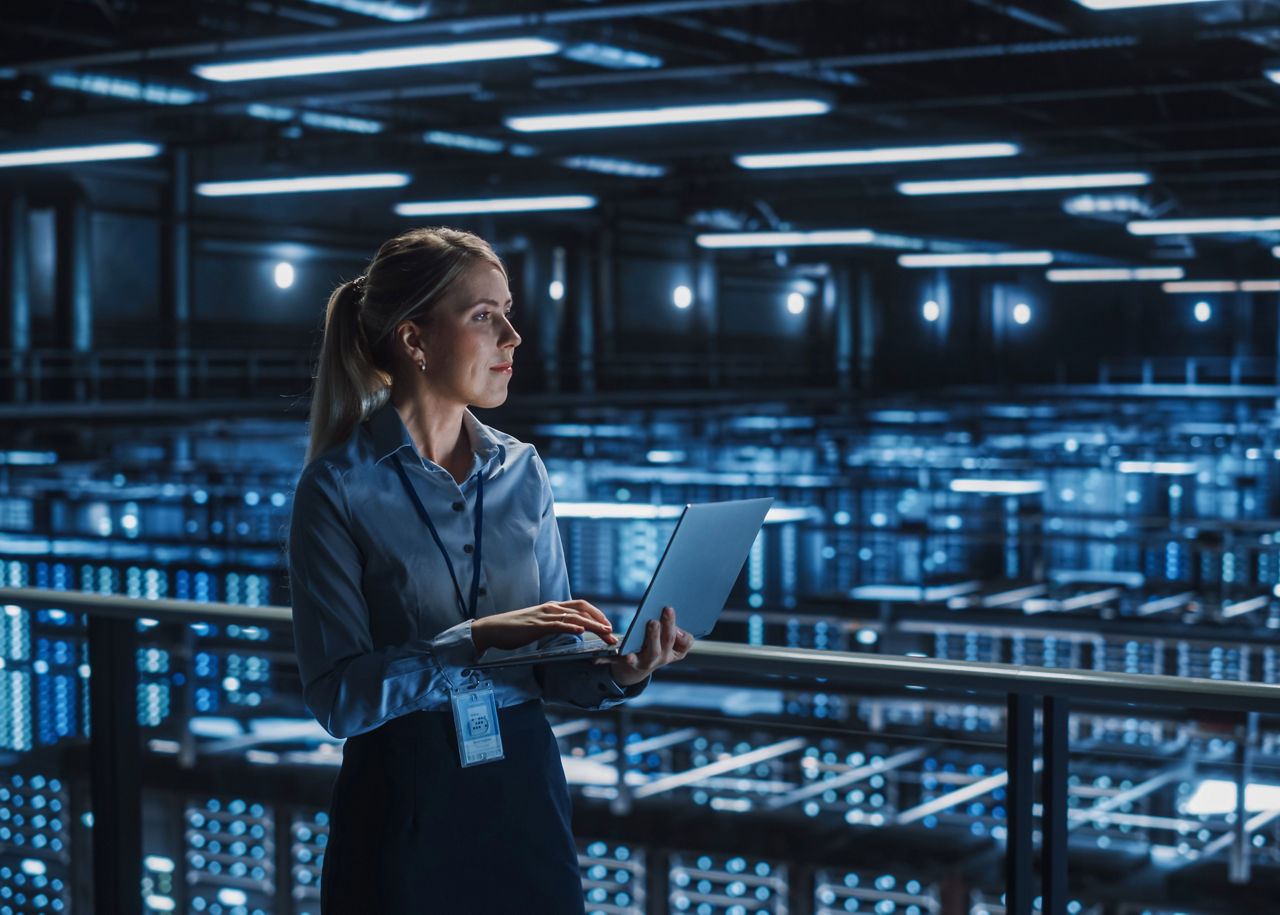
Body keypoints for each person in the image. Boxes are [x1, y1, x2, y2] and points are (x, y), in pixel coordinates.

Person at [288, 226, 693, 914]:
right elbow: (339, 700)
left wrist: (624, 669)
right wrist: (472, 638)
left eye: (507, 312)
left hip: (525, 791)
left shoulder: (523, 470)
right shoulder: (336, 489)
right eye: (484, 315)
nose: (513, 336)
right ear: (415, 340)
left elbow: (552, 657)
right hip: (406, 798)